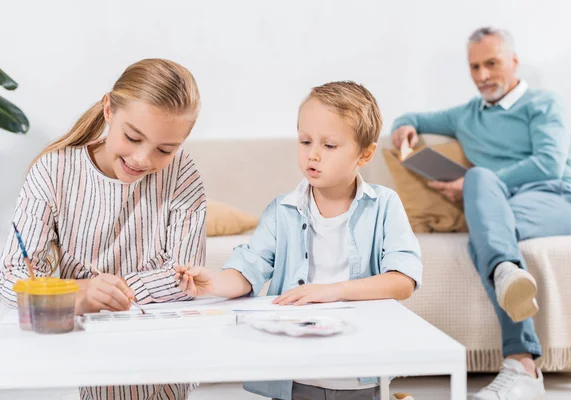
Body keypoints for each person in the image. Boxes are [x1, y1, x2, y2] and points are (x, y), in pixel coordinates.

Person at [177, 81, 423, 400]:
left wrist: (330, 292)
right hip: (295, 373)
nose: (313, 154)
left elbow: (403, 281)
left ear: (365, 154)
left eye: (329, 145)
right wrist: (212, 284)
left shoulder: (385, 206)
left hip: (359, 372)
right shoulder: (282, 211)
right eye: (305, 141)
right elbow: (248, 269)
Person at [391, 27, 571, 400]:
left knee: (480, 192)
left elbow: (548, 164)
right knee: (483, 206)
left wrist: (476, 185)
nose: (482, 76)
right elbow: (411, 115)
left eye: (491, 63)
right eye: (474, 67)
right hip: (499, 209)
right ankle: (520, 351)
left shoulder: (545, 104)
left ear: (514, 61)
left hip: (555, 198)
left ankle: (519, 354)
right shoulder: (467, 115)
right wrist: (405, 128)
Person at [1, 58, 206, 400]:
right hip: (80, 361)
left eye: (165, 149)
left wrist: (115, 290)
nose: (143, 159)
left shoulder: (181, 173)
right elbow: (10, 280)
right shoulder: (54, 170)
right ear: (109, 110)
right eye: (133, 137)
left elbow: (189, 278)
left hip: (163, 362)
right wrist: (78, 294)